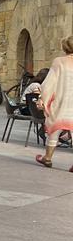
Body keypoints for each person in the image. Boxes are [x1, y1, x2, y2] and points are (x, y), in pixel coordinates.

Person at [37, 37, 73, 169]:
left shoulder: (59, 62)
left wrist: (43, 99)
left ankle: (47, 158)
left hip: (62, 101)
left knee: (55, 128)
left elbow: (50, 83)